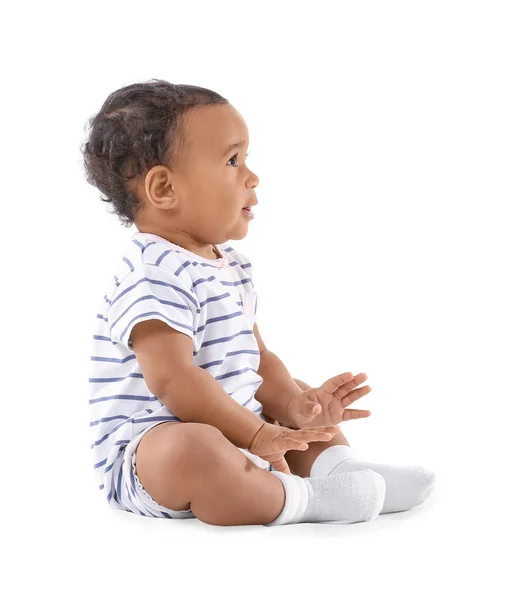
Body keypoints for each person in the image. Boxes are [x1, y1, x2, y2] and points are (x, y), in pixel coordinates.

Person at [82, 79, 435, 526]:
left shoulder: (231, 266)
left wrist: (294, 408)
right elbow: (174, 381)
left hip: (238, 429)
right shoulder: (151, 274)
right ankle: (307, 500)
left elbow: (257, 358)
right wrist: (254, 432)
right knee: (191, 450)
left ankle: (339, 470)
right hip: (149, 460)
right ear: (165, 189)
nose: (252, 176)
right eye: (232, 161)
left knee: (292, 385)